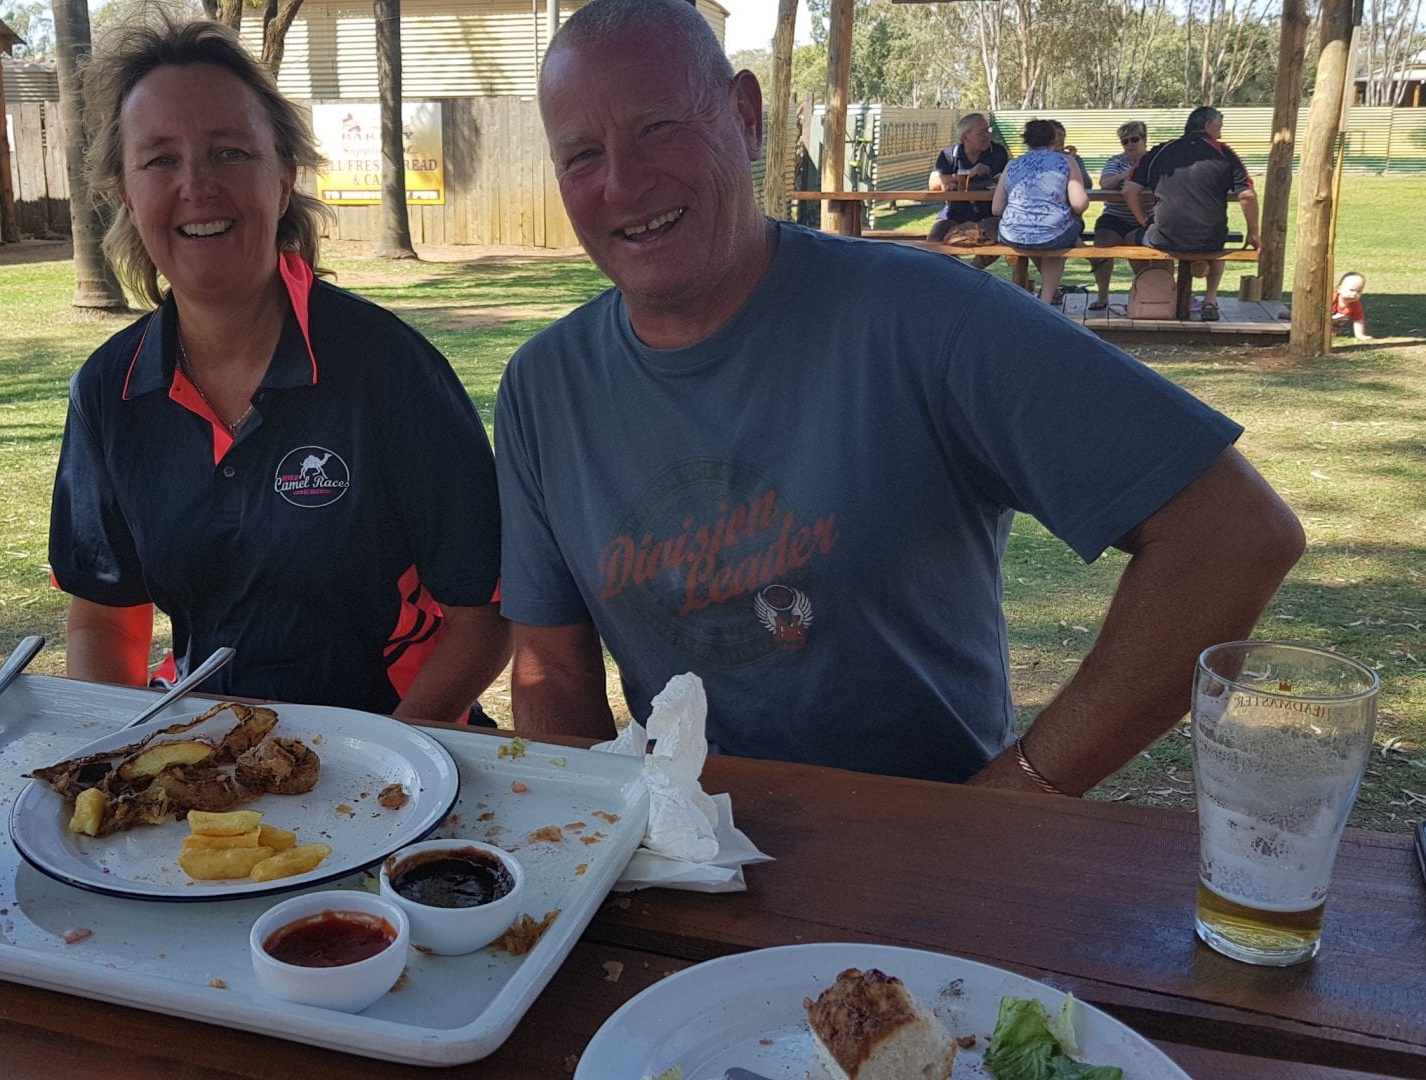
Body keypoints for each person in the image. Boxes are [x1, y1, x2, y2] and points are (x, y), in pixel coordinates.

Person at [498, 0, 1305, 793]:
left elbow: (1233, 534)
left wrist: (1020, 797)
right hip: (683, 848)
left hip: (929, 843)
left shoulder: (926, 316)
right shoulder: (544, 388)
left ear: (745, 117)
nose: (623, 184)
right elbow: (550, 672)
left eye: (657, 128)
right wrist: (593, 836)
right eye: (582, 156)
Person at [48, 11, 509, 723]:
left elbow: (485, 618)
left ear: (285, 177)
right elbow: (105, 619)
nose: (196, 184)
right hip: (210, 749)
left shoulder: (390, 369)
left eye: (229, 152)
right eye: (160, 160)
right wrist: (120, 753)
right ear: (127, 195)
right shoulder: (109, 391)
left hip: (403, 744)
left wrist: (387, 762)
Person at [1121, 106, 1259, 323]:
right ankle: (1210, 300)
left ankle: (1166, 290)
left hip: (1163, 236)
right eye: (1219, 127)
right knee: (1219, 246)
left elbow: (1129, 190)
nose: (1220, 133)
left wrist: (1143, 221)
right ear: (1208, 125)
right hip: (1210, 238)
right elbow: (1247, 196)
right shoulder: (1224, 153)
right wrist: (1254, 232)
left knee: (1131, 239)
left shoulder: (1160, 151)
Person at [993, 119, 1089, 305]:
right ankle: (1046, 299)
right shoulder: (1066, 161)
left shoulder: (1012, 164)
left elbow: (996, 208)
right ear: (1053, 138)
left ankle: (1044, 297)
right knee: (1057, 240)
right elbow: (1079, 204)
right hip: (1050, 234)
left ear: (1026, 140)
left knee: (1048, 236)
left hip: (1011, 234)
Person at [926, 112, 1010, 268]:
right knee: (934, 240)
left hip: (989, 214)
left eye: (987, 130)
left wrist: (987, 176)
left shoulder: (998, 152)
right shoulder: (949, 154)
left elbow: (1004, 182)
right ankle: (958, 272)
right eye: (981, 132)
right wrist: (962, 176)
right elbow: (933, 183)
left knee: (998, 235)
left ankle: (972, 272)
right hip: (953, 214)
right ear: (966, 137)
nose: (987, 135)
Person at [1089, 121, 1155, 312]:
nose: (1129, 145)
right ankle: (1102, 295)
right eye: (1125, 141)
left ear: (1144, 140)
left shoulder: (1154, 161)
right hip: (1116, 215)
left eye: (1134, 139)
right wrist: (1130, 174)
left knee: (1135, 245)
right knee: (1102, 243)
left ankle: (1147, 293)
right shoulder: (1115, 161)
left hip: (1146, 218)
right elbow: (1105, 183)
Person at [1332, 271, 1371, 339]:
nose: (1355, 294)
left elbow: (1358, 320)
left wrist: (1359, 335)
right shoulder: (1331, 298)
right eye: (1352, 290)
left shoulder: (1356, 306)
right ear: (1339, 289)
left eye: (1359, 291)